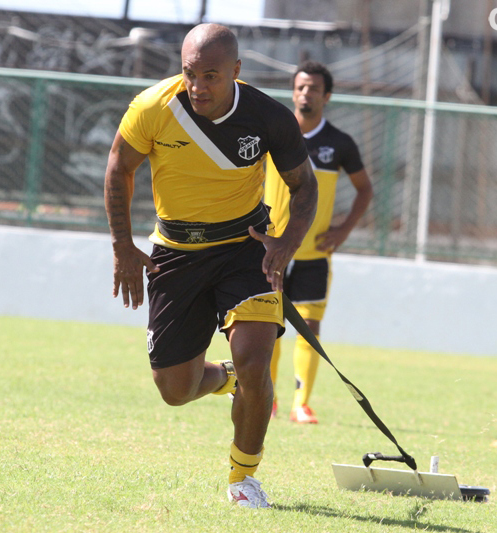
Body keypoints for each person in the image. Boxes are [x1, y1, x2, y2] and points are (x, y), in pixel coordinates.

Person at [103, 24, 317, 509]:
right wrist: (122, 245)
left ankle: (243, 477)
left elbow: (305, 187)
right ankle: (229, 379)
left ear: (236, 72)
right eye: (189, 74)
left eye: (211, 76)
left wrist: (285, 244)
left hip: (245, 249)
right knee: (175, 391)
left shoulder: (268, 116)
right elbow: (119, 166)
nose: (197, 86)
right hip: (174, 255)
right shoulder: (153, 107)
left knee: (257, 360)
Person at [265, 61, 373, 424]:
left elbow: (364, 190)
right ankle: (269, 399)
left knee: (309, 327)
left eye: (313, 88)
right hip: (270, 250)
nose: (305, 93)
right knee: (267, 326)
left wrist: (343, 230)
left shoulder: (339, 143)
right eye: (300, 87)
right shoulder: (274, 135)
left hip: (314, 253)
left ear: (326, 96)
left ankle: (301, 403)